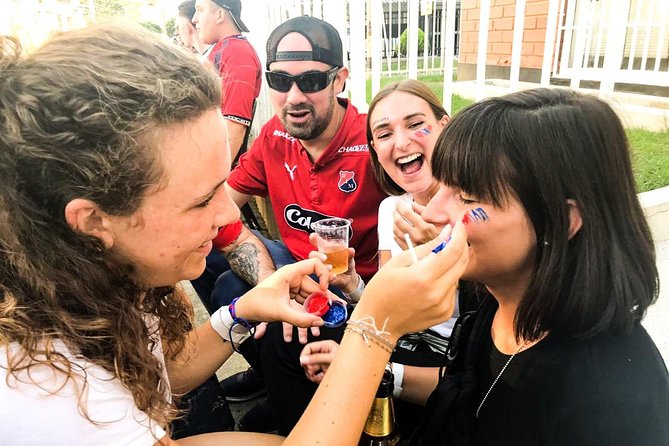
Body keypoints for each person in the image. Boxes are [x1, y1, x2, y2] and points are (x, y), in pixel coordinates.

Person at [0, 23, 333, 445]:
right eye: (200, 200)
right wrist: (372, 335)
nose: (228, 213)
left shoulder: (88, 281)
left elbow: (161, 373)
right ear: (93, 221)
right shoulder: (51, 392)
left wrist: (243, 311)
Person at [299, 87, 669, 444]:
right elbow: (468, 394)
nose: (433, 211)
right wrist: (368, 366)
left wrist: (372, 332)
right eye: (442, 184)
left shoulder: (611, 409)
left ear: (559, 221)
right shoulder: (501, 304)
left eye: (469, 196)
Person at [199, 15, 387, 429]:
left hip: (356, 292)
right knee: (223, 277)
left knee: (303, 335)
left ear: (340, 80)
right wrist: (272, 284)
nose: (294, 97)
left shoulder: (375, 140)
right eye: (280, 81)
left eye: (312, 82)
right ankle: (273, 377)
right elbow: (220, 205)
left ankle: (298, 400)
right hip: (296, 272)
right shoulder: (274, 136)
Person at [281, 79, 474, 436]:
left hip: (452, 359)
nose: (401, 143)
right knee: (291, 335)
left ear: (445, 127)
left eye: (416, 124)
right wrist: (352, 283)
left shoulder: (475, 209)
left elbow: (482, 330)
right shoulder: (392, 209)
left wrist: (452, 256)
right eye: (383, 134)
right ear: (375, 149)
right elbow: (386, 298)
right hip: (401, 337)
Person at [193, 0, 260, 163]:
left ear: (220, 15)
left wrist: (210, 182)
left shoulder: (237, 53)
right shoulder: (223, 49)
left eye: (200, 10)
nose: (194, 18)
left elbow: (235, 125)